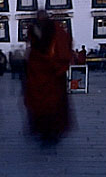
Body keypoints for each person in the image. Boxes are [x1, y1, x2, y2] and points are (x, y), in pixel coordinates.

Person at [24, 10, 75, 147]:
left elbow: (63, 49)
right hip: (40, 72)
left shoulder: (55, 31)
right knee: (42, 105)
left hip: (52, 74)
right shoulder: (36, 30)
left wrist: (57, 65)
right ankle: (44, 132)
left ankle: (51, 133)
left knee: (52, 105)